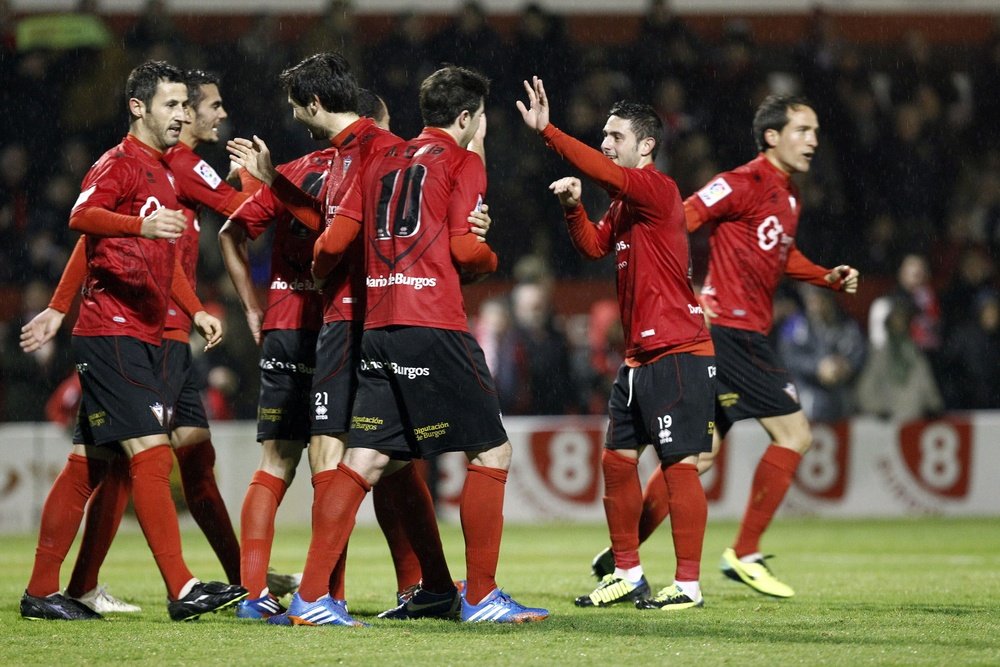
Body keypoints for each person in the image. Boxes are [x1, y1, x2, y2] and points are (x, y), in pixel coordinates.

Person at [268, 64, 548, 626]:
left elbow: (339, 230)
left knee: (365, 459)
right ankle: (483, 596)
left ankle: (313, 597)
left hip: (377, 324)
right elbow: (466, 250)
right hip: (434, 323)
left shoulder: (379, 158)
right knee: (493, 453)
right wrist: (491, 259)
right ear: (467, 118)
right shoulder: (462, 160)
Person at [224, 53, 489, 622]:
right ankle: (341, 593)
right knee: (363, 457)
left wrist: (263, 296)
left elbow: (261, 226)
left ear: (315, 105)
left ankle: (392, 588)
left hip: (332, 319)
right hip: (351, 317)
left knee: (360, 458)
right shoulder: (353, 155)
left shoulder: (336, 157)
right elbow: (351, 223)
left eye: (296, 107)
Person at [18, 69, 293, 614]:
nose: (187, 115)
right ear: (140, 107)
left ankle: (51, 589)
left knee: (94, 463)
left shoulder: (163, 173)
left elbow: (155, 257)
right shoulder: (127, 163)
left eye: (184, 106)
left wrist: (195, 311)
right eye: (176, 104)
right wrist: (59, 305)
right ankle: (186, 587)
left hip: (148, 328)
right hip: (115, 330)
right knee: (152, 454)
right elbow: (84, 220)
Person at [589, 94, 860, 599]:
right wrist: (676, 292)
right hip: (729, 331)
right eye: (804, 129)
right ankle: (745, 551)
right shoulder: (741, 182)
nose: (814, 140)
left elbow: (779, 253)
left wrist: (825, 276)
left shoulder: (789, 197)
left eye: (816, 130)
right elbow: (678, 216)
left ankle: (622, 554)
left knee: (696, 460)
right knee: (795, 435)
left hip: (732, 335)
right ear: (773, 137)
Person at [518, 76, 715, 612]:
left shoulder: (656, 188)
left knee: (679, 466)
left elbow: (603, 171)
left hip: (678, 350)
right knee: (616, 463)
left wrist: (549, 132)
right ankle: (627, 572)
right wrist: (574, 209)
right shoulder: (625, 205)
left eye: (615, 135)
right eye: (602, 134)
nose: (605, 142)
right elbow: (594, 247)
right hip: (639, 358)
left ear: (645, 145)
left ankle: (690, 585)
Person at [777, 285, 866, 423]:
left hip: (841, 394)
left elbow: (859, 354)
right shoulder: (795, 324)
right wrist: (818, 366)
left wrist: (846, 366)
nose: (815, 305)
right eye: (811, 300)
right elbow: (789, 357)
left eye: (819, 300)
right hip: (806, 391)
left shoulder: (847, 324)